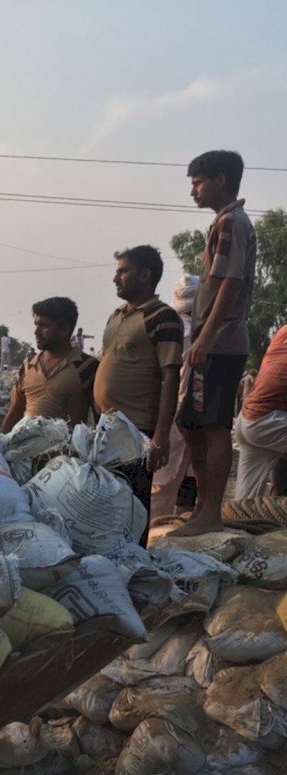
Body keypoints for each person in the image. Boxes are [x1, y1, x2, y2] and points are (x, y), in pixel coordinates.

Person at [174, 151, 256, 536]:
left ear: (220, 180)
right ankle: (203, 508)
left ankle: (210, 513)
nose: (193, 190)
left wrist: (204, 337)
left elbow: (231, 283)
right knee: (190, 421)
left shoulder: (231, 223)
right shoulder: (222, 223)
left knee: (213, 425)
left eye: (198, 182)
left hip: (220, 343)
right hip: (211, 343)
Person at [94, 245, 183, 538]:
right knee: (104, 505)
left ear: (145, 275)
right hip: (105, 427)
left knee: (132, 510)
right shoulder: (116, 316)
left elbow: (170, 377)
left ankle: (135, 569)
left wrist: (160, 436)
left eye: (123, 271)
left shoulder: (163, 317)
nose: (115, 278)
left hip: (136, 430)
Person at [0, 297, 98, 433]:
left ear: (64, 329)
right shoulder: (28, 366)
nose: (36, 332)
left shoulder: (87, 367)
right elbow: (14, 413)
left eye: (44, 326)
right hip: (22, 451)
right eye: (36, 325)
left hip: (66, 453)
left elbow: (101, 417)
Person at [150, 274, 200, 520]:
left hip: (164, 412)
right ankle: (154, 534)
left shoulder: (165, 325)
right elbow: (183, 383)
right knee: (164, 483)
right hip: (177, 414)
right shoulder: (188, 334)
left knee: (186, 476)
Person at [233, 325, 287, 499]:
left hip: (248, 420)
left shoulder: (283, 331)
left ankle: (241, 523)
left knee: (244, 503)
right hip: (269, 422)